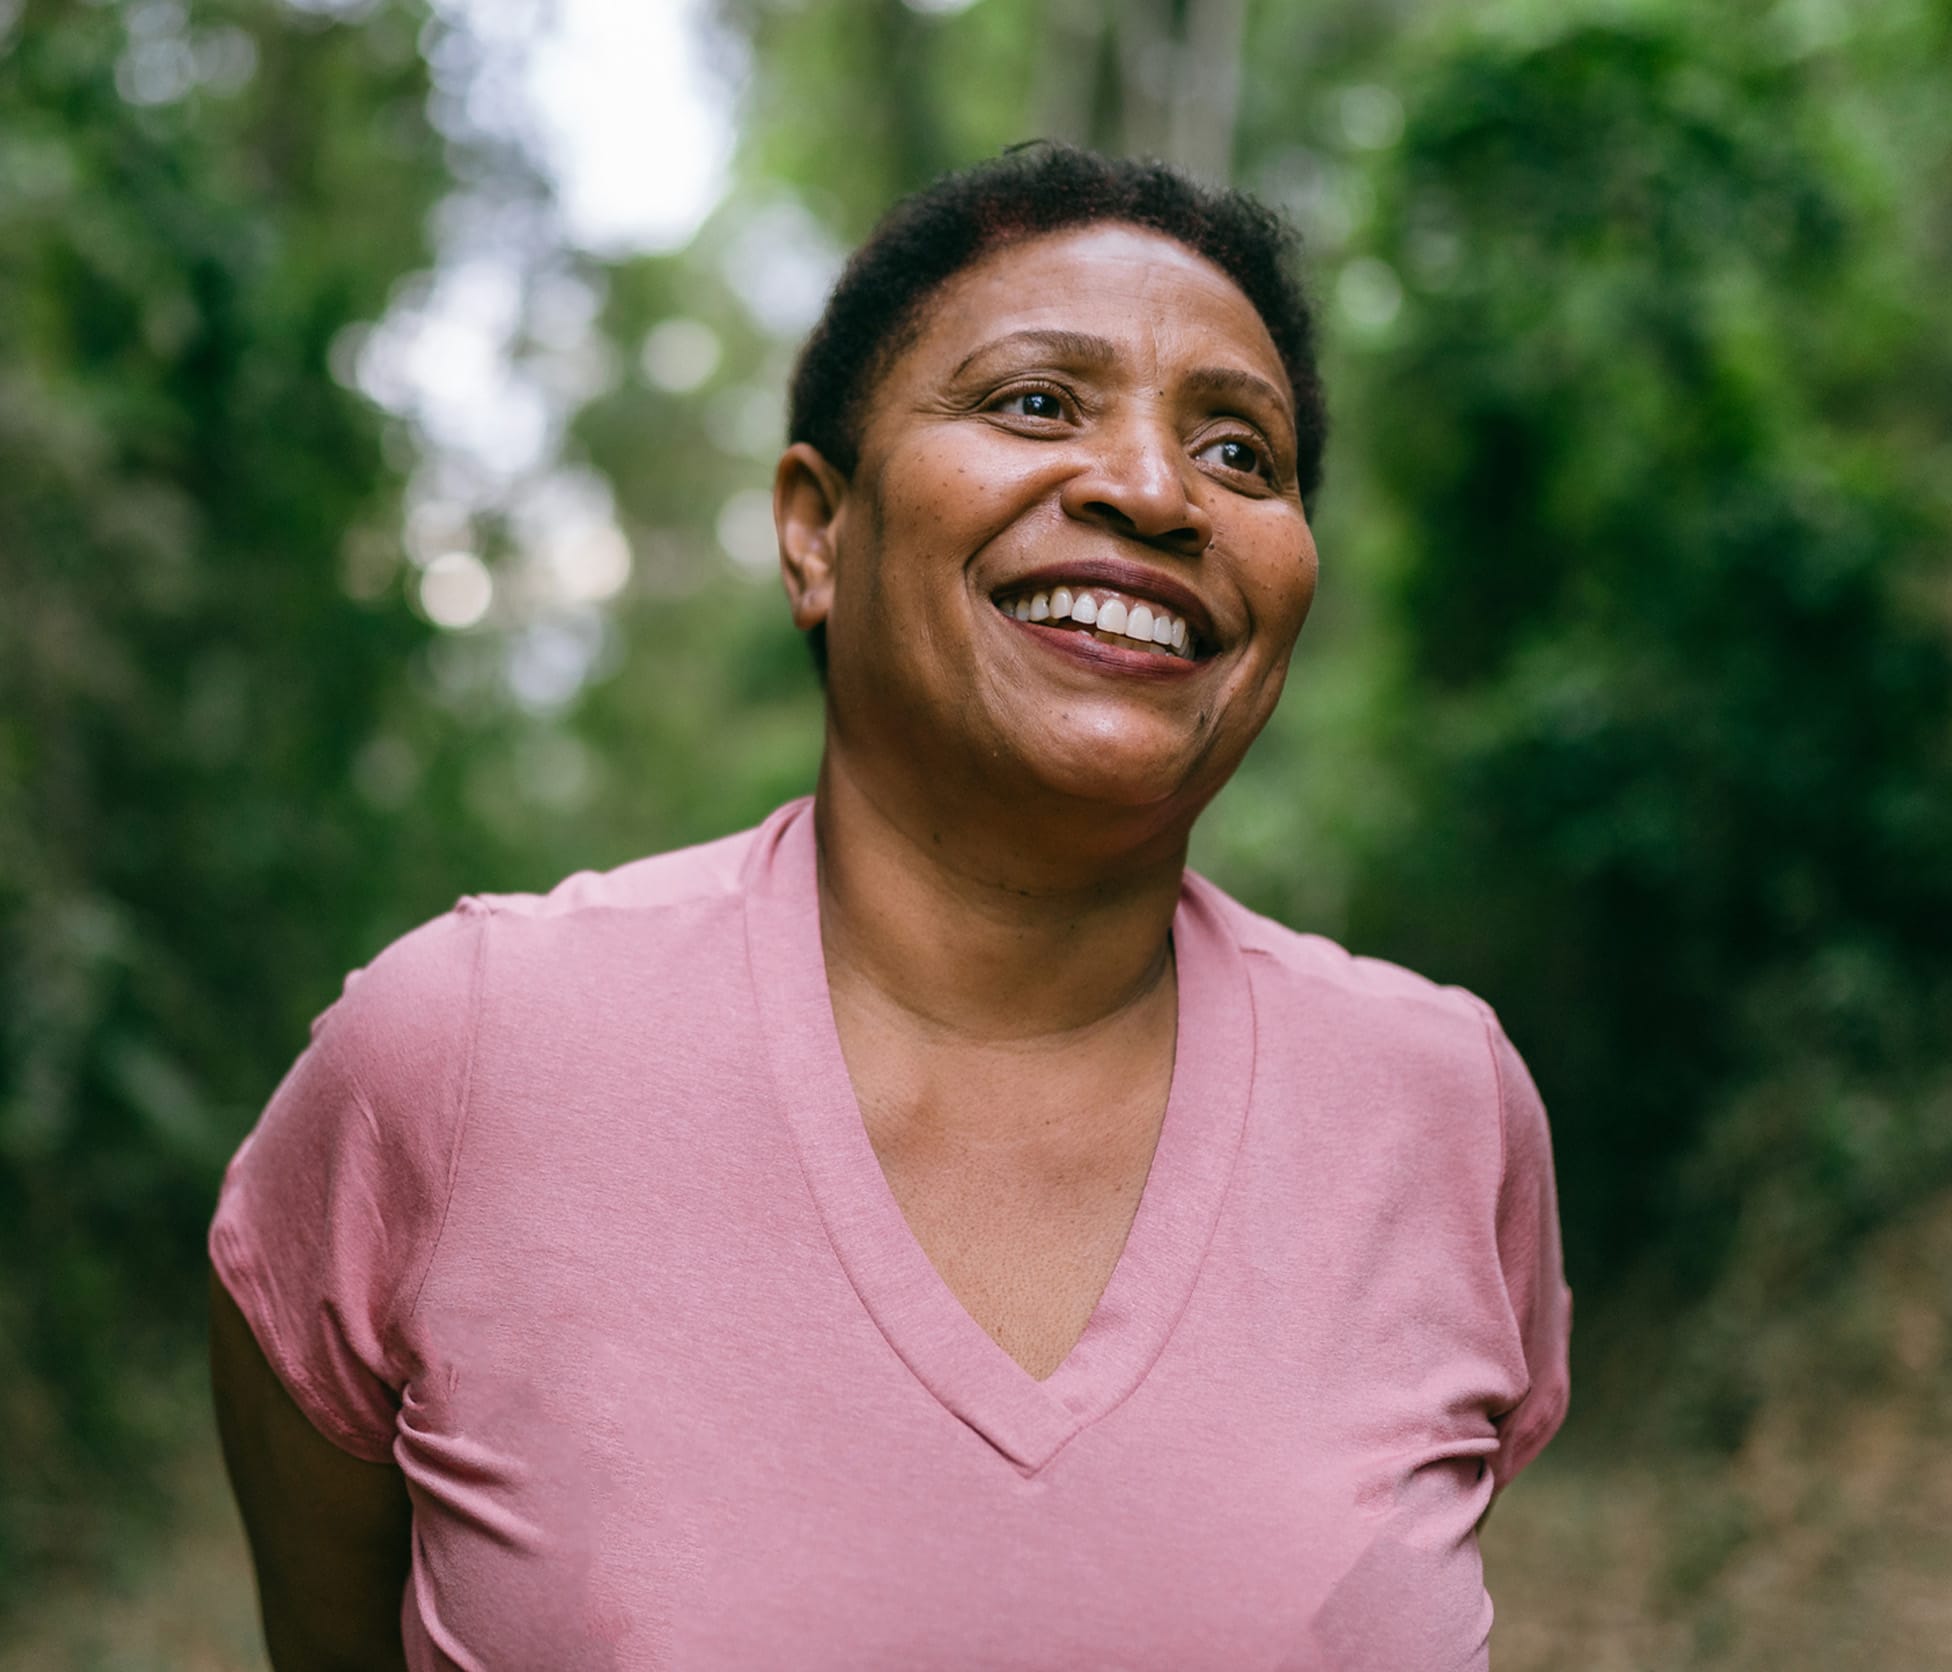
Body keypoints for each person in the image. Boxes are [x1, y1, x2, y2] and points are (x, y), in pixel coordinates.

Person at [209, 144, 1571, 1671]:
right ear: (816, 531)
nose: (1153, 488)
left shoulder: (1439, 1105)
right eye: (1036, 402)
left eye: (1242, 453)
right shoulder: (458, 1053)